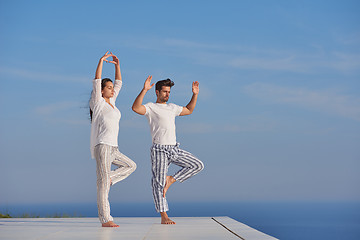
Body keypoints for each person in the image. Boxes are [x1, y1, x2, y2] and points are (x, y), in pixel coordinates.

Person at [132, 76, 204, 224]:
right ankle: (164, 216)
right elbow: (135, 108)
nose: (167, 94)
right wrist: (144, 90)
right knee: (158, 182)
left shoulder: (172, 107)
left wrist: (195, 94)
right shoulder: (151, 107)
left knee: (197, 165)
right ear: (157, 92)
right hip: (159, 150)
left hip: (174, 148)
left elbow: (189, 110)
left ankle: (171, 179)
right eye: (164, 91)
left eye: (169, 92)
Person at [89, 51, 136, 227]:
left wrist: (117, 65)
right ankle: (106, 219)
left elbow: (119, 83)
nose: (111, 89)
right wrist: (101, 61)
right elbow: (96, 80)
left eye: (110, 88)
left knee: (131, 166)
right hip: (103, 146)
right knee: (102, 186)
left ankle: (110, 178)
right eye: (108, 88)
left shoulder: (112, 103)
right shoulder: (98, 103)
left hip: (113, 147)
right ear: (101, 91)